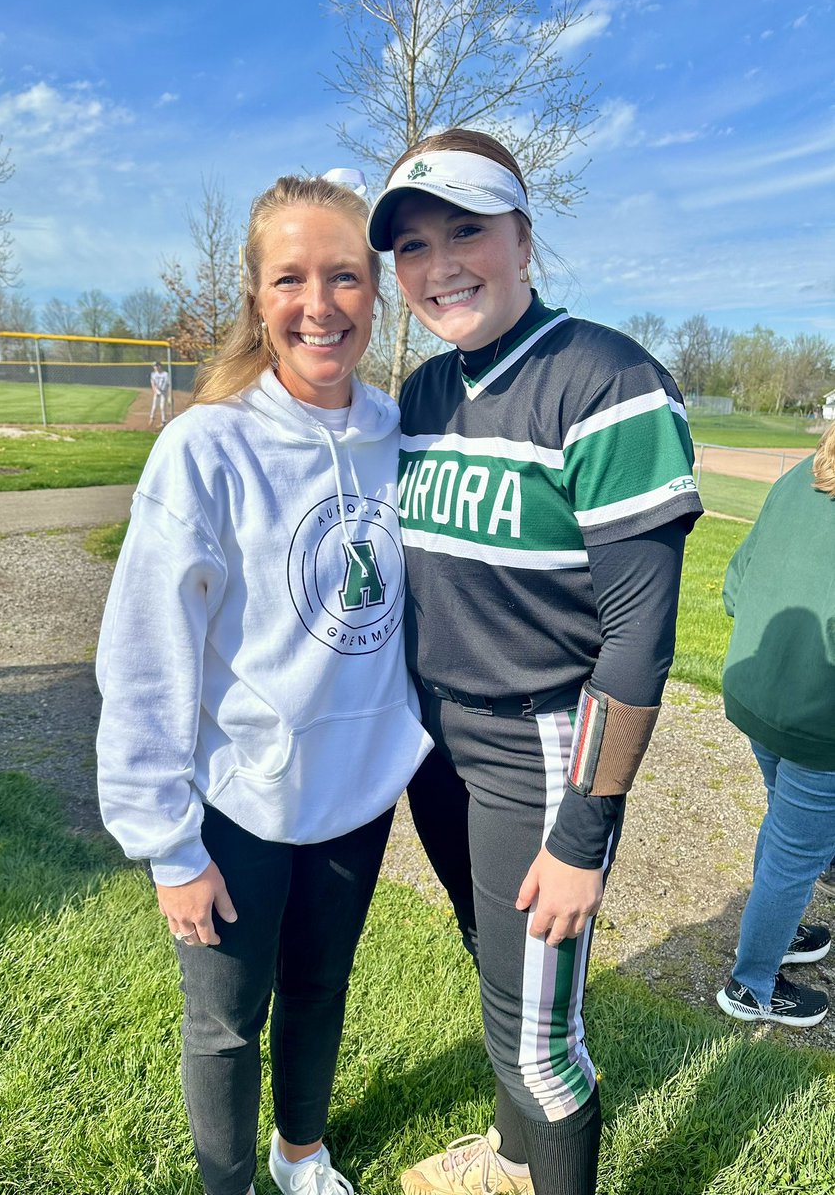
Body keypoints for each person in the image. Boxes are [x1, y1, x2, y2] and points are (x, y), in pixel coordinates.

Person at [366, 129, 703, 1195]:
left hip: (535, 745)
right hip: (437, 745)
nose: (440, 264)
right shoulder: (421, 396)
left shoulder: (608, 381)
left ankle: (537, 1155)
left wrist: (584, 828)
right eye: (413, 244)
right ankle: (513, 1163)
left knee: (539, 1049)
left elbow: (640, 633)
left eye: (467, 229)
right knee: (503, 977)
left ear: (523, 233)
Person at [96, 174, 432, 1195]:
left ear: (376, 294)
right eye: (291, 278)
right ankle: (227, 1183)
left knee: (322, 986)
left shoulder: (398, 439)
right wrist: (168, 842)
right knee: (227, 1024)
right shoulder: (207, 446)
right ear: (255, 295)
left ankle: (300, 1155)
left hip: (357, 790)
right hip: (239, 796)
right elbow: (146, 651)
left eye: (343, 277)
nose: (318, 305)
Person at [716, 424, 835, 1027]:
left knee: (787, 827)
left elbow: (735, 585)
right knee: (796, 850)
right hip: (821, 722)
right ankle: (751, 986)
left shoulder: (799, 476)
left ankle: (775, 933)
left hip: (758, 691)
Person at [149, 360, 172, 427]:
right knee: (154, 406)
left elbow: (169, 384)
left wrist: (169, 396)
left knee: (162, 407)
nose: (155, 367)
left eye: (156, 366)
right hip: (157, 393)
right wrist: (155, 391)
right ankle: (152, 418)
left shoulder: (165, 374)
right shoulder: (153, 374)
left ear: (159, 366)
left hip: (164, 393)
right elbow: (153, 384)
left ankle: (163, 421)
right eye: (154, 366)